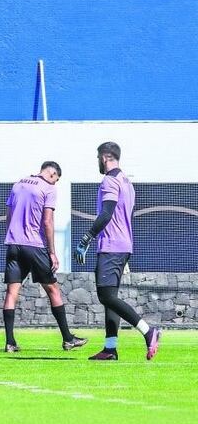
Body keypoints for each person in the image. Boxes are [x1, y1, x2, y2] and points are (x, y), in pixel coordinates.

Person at [78, 142, 161, 361]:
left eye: (98, 157)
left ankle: (148, 331)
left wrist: (86, 238)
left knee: (105, 295)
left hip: (112, 246)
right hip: (123, 246)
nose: (97, 161)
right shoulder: (127, 182)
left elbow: (106, 214)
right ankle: (110, 348)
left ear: (105, 157)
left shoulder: (110, 180)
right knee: (110, 297)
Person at [3, 162, 86, 352]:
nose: (55, 184)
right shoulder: (47, 188)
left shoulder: (18, 184)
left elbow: (8, 214)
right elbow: (47, 222)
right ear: (52, 173)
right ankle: (67, 338)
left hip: (13, 244)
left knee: (11, 293)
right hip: (34, 245)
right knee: (53, 290)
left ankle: (9, 342)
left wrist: (11, 235)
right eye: (56, 180)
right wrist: (52, 252)